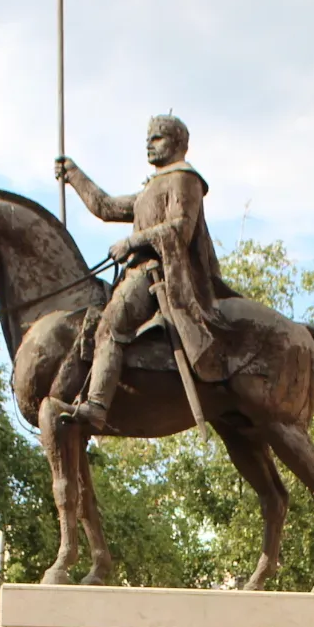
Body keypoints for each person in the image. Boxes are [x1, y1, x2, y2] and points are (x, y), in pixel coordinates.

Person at [53, 115, 229, 429]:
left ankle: (96, 406)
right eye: (148, 138)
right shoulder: (152, 188)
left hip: (160, 275)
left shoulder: (185, 178)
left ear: (178, 143)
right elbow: (106, 207)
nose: (149, 143)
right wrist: (74, 174)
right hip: (138, 273)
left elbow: (181, 228)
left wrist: (132, 241)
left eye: (157, 138)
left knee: (110, 324)